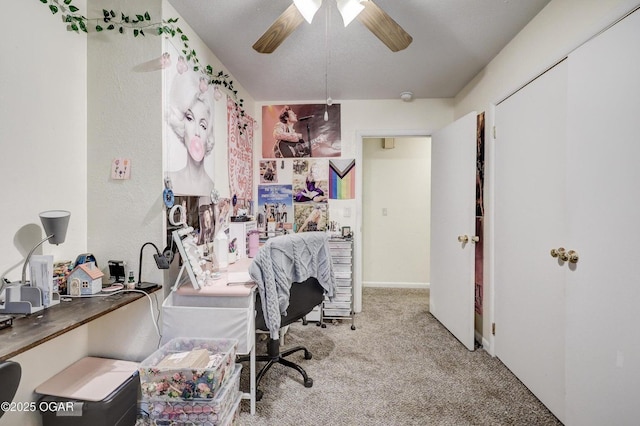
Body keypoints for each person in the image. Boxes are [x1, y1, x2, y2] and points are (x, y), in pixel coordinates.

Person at [166, 73, 216, 196]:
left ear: (208, 134)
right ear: (181, 125)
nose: (197, 132)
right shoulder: (170, 179)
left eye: (203, 125)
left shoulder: (211, 185)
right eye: (190, 119)